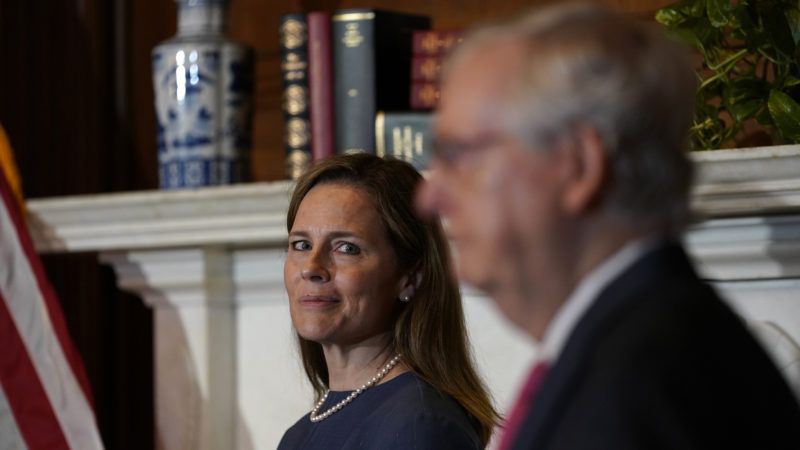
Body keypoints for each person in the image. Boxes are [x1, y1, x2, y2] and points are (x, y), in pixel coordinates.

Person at [416, 3, 800, 450]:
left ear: (577, 166)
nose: (430, 195)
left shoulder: (648, 379)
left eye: (459, 155)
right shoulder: (632, 343)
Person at [278, 153, 499, 449]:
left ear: (410, 277)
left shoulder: (420, 425)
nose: (311, 268)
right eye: (301, 245)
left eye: (346, 248)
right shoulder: (297, 437)